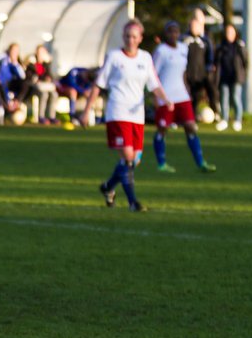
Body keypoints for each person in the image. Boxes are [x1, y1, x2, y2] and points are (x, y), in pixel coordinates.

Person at [83, 19, 171, 213]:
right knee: (129, 157)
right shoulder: (114, 57)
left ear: (140, 39)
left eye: (134, 36)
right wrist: (87, 110)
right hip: (117, 112)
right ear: (123, 38)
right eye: (127, 36)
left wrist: (167, 100)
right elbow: (99, 84)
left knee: (133, 160)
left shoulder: (145, 58)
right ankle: (133, 203)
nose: (130, 40)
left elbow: (153, 84)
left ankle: (108, 187)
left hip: (136, 116)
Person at [151, 20, 216, 173]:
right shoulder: (161, 51)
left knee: (190, 126)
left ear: (179, 33)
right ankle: (161, 164)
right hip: (165, 96)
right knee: (162, 128)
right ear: (165, 33)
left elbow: (184, 72)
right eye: (170, 31)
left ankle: (201, 162)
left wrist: (188, 89)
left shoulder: (182, 48)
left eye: (175, 31)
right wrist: (155, 96)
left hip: (182, 95)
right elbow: (152, 75)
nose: (173, 34)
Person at [213, 24, 246, 131]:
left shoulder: (239, 45)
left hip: (236, 77)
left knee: (236, 97)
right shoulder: (221, 47)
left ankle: (238, 120)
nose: (229, 35)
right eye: (227, 32)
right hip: (224, 77)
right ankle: (224, 119)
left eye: (231, 32)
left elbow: (246, 61)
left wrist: (241, 73)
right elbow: (217, 62)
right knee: (224, 99)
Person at [184, 11, 218, 115]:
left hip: (201, 74)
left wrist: (209, 67)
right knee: (187, 96)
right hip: (187, 73)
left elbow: (210, 55)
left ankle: (216, 112)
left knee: (204, 93)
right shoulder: (185, 39)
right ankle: (187, 116)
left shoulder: (206, 40)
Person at [22, 45, 58, 124]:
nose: (40, 54)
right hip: (34, 87)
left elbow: (49, 75)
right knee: (44, 94)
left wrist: (48, 78)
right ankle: (41, 117)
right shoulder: (32, 63)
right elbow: (29, 76)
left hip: (45, 85)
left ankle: (52, 116)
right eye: (39, 52)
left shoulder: (45, 64)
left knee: (54, 94)